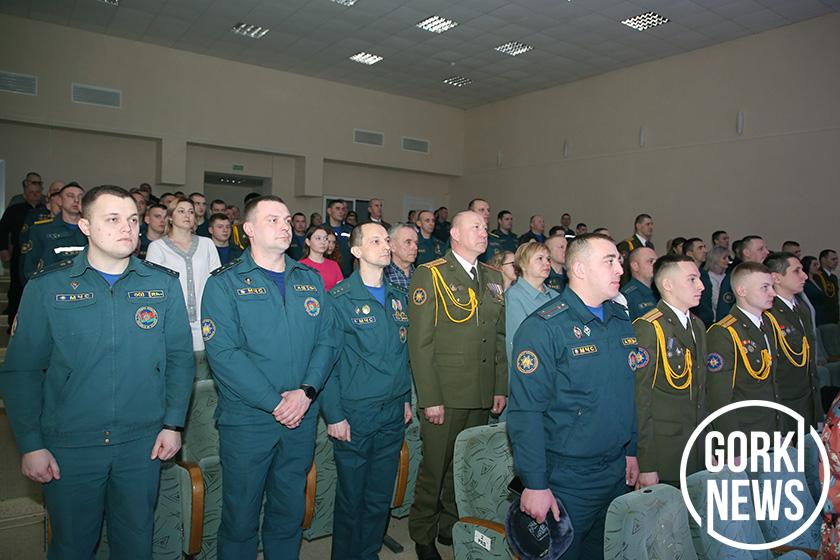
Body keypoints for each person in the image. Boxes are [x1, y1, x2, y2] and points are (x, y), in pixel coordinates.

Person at [0, 185, 193, 559]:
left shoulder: (162, 284)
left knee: (136, 542)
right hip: (71, 444)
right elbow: (22, 372)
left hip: (141, 442)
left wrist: (173, 424)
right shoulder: (48, 287)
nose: (127, 228)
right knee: (72, 544)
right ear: (85, 226)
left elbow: (180, 359)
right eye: (113, 219)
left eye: (133, 220)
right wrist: (31, 443)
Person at [201, 195, 335, 559]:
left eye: (287, 219)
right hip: (249, 420)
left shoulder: (308, 279)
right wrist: (276, 403)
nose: (284, 226)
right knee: (240, 518)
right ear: (248, 229)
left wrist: (306, 392)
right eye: (273, 219)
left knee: (289, 512)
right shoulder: (225, 283)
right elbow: (225, 355)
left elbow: (327, 341)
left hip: (301, 417)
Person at [508, 233, 639, 560]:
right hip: (567, 479)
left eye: (619, 261)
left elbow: (627, 393)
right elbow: (526, 412)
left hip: (615, 470)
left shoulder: (619, 319)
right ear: (579, 269)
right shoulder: (544, 328)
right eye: (609, 261)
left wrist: (631, 451)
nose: (619, 269)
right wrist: (535, 483)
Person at [407, 210, 507, 560]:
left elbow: (497, 337)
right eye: (475, 227)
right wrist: (430, 397)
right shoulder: (431, 274)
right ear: (455, 233)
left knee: (462, 468)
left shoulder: (493, 276)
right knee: (435, 468)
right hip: (446, 394)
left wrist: (499, 386)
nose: (483, 232)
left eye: (485, 227)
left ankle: (450, 525)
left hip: (480, 391)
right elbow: (420, 344)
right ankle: (422, 533)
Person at [321, 222, 412, 560]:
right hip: (356, 412)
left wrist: (405, 398)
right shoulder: (339, 299)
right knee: (352, 498)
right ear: (357, 251)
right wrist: (334, 414)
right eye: (376, 241)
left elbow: (402, 355)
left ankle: (368, 553)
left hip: (392, 411)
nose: (386, 246)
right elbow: (326, 362)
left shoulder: (398, 297)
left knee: (378, 497)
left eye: (387, 240)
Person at [632, 255, 707, 486]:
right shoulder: (650, 327)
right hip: (667, 452)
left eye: (699, 279)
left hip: (698, 448)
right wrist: (647, 464)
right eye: (692, 279)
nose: (701, 286)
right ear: (668, 284)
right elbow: (641, 401)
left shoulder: (697, 325)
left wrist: (710, 447)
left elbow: (702, 393)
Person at [706, 262, 780, 460]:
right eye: (765, 287)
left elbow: (773, 385)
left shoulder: (767, 325)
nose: (773, 293)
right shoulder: (724, 333)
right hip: (745, 438)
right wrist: (733, 449)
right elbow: (719, 399)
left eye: (772, 286)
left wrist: (781, 431)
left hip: (771, 433)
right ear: (741, 291)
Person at [146, 196, 221, 380]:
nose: (187, 215)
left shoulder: (207, 244)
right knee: (177, 382)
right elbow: (154, 290)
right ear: (170, 217)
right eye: (181, 211)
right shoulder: (157, 247)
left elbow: (217, 284)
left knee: (205, 384)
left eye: (191, 212)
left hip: (205, 324)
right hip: (173, 326)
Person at [764, 252, 821, 432]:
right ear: (776, 278)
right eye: (797, 271)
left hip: (808, 398)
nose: (804, 276)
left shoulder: (801, 309)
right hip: (786, 402)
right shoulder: (769, 314)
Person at [0, 172, 46, 327]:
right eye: (32, 192)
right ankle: (12, 324)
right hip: (19, 253)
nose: (35, 195)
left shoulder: (45, 209)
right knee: (16, 287)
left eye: (38, 192)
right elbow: (2, 230)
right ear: (25, 191)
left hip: (40, 254)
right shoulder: (14, 208)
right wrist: (3, 249)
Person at [504, 242, 559, 368]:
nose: (547, 263)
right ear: (523, 265)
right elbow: (516, 344)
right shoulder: (514, 297)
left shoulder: (556, 296)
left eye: (548, 259)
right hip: (533, 369)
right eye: (540, 258)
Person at [23, 183, 88, 281]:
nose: (76, 200)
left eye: (80, 196)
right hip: (53, 284)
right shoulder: (41, 230)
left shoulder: (93, 229)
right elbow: (30, 268)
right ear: (60, 201)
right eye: (70, 196)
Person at [716, 235, 769, 321]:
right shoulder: (734, 277)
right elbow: (725, 312)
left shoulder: (767, 276)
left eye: (766, 248)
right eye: (760, 249)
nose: (767, 252)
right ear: (747, 253)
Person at [300, 225, 344, 291]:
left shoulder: (334, 265)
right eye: (318, 238)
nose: (323, 242)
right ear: (308, 242)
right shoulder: (300, 266)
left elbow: (341, 291)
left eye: (325, 239)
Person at [684, 237, 714, 326]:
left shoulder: (704, 273)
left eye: (704, 247)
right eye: (700, 248)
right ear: (689, 254)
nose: (705, 251)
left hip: (707, 321)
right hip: (693, 322)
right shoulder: (684, 275)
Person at [620, 247, 657, 321]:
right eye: (650, 261)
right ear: (635, 266)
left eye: (657, 262)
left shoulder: (660, 290)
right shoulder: (627, 297)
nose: (656, 265)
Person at [805, 249, 839, 325]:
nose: (836, 262)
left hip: (834, 315)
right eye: (833, 259)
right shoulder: (817, 276)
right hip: (821, 316)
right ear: (823, 260)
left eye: (837, 259)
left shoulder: (833, 277)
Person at [383, 223, 418, 291]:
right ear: (392, 246)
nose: (415, 247)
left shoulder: (421, 275)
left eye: (416, 243)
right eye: (408, 242)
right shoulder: (383, 277)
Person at [327, 199, 354, 277]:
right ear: (329, 211)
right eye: (337, 209)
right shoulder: (322, 230)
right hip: (327, 272)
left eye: (343, 209)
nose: (341, 212)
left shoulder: (350, 230)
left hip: (347, 274)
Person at [706, 245, 730, 317]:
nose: (728, 261)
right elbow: (716, 302)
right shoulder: (709, 278)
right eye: (724, 258)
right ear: (715, 260)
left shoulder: (726, 275)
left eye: (728, 258)